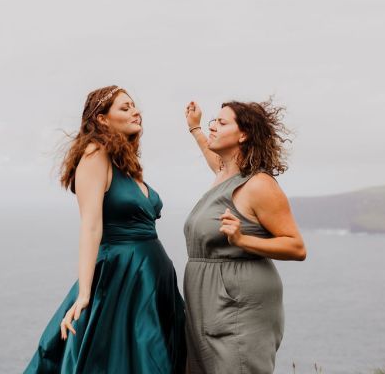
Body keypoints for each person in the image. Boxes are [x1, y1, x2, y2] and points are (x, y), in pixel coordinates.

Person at [23, 85, 186, 374]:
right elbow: (91, 226)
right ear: (102, 119)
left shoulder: (126, 165)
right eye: (125, 107)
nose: (136, 111)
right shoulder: (94, 153)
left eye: (135, 106)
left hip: (152, 280)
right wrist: (85, 294)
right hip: (123, 278)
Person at [182, 99, 307, 374]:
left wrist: (242, 239)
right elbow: (215, 159)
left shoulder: (259, 185)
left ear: (244, 134)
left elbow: (296, 246)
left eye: (221, 122)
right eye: (213, 121)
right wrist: (196, 128)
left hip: (237, 304)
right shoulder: (224, 173)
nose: (213, 126)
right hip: (207, 302)